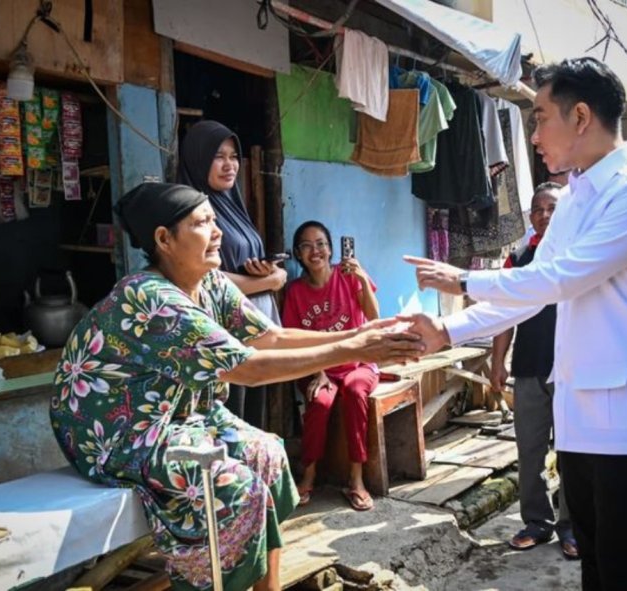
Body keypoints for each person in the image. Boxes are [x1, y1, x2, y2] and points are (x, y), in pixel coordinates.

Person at [401, 57, 627, 590]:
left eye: (539, 117)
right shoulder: (579, 194)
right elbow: (534, 288)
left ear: (580, 116)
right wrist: (448, 331)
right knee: (596, 571)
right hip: (582, 412)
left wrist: (466, 280)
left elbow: (561, 280)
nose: (533, 134)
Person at [50, 183, 423, 591]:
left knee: (271, 455)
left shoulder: (210, 283)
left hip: (182, 415)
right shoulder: (150, 298)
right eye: (201, 222)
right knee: (237, 492)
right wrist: (355, 345)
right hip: (123, 433)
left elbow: (270, 338)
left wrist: (362, 333)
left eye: (214, 219)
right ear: (163, 239)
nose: (217, 232)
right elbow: (248, 368)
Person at [488, 183, 578, 560]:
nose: (544, 215)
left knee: (574, 451)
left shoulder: (579, 255)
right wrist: (497, 361)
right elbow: (504, 312)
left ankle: (573, 526)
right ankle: (537, 522)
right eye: (537, 209)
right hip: (529, 368)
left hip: (575, 370)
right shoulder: (520, 257)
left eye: (552, 208)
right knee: (529, 450)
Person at [178, 120, 284, 429]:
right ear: (198, 159)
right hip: (224, 336)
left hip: (255, 332)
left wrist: (271, 270)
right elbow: (203, 279)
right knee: (232, 424)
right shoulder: (193, 213)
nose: (230, 165)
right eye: (218, 156)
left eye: (234, 156)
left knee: (254, 424)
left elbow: (241, 264)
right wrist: (270, 281)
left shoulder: (231, 204)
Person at [281, 221, 380, 511]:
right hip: (318, 367)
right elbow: (295, 339)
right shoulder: (295, 292)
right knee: (320, 402)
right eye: (307, 245)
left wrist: (362, 279)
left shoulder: (349, 278)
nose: (316, 251)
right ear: (298, 254)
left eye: (321, 243)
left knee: (354, 391)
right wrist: (319, 370)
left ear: (331, 249)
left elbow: (374, 318)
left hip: (358, 362)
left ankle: (356, 479)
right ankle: (308, 475)